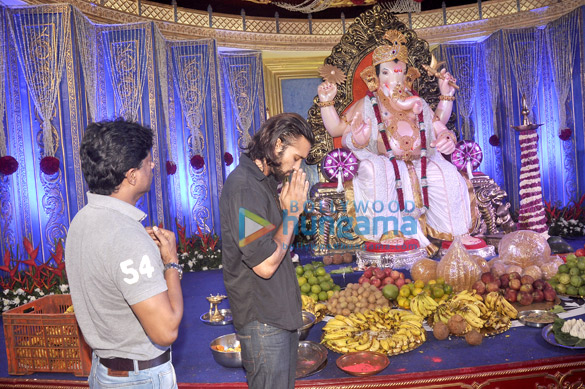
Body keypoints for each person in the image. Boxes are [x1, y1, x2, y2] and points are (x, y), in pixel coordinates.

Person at [317, 29, 481, 254]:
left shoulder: (418, 103)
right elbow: (336, 128)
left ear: (407, 76)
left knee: (447, 174)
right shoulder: (368, 104)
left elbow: (439, 125)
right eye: (386, 73)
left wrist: (445, 135)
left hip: (420, 161)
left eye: (399, 73)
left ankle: (455, 231)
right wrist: (327, 103)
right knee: (379, 169)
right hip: (382, 160)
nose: (394, 80)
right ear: (375, 77)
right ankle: (388, 230)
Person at [65, 119, 183, 388]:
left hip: (105, 370)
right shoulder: (125, 235)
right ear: (131, 175)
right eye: (148, 161)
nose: (153, 166)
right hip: (139, 378)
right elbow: (166, 330)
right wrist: (171, 264)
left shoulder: (81, 220)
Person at [220, 113, 315, 389]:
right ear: (277, 145)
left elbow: (277, 244)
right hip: (264, 324)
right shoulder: (246, 187)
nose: (297, 168)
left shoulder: (265, 185)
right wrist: (293, 214)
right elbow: (265, 265)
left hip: (277, 318)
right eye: (296, 158)